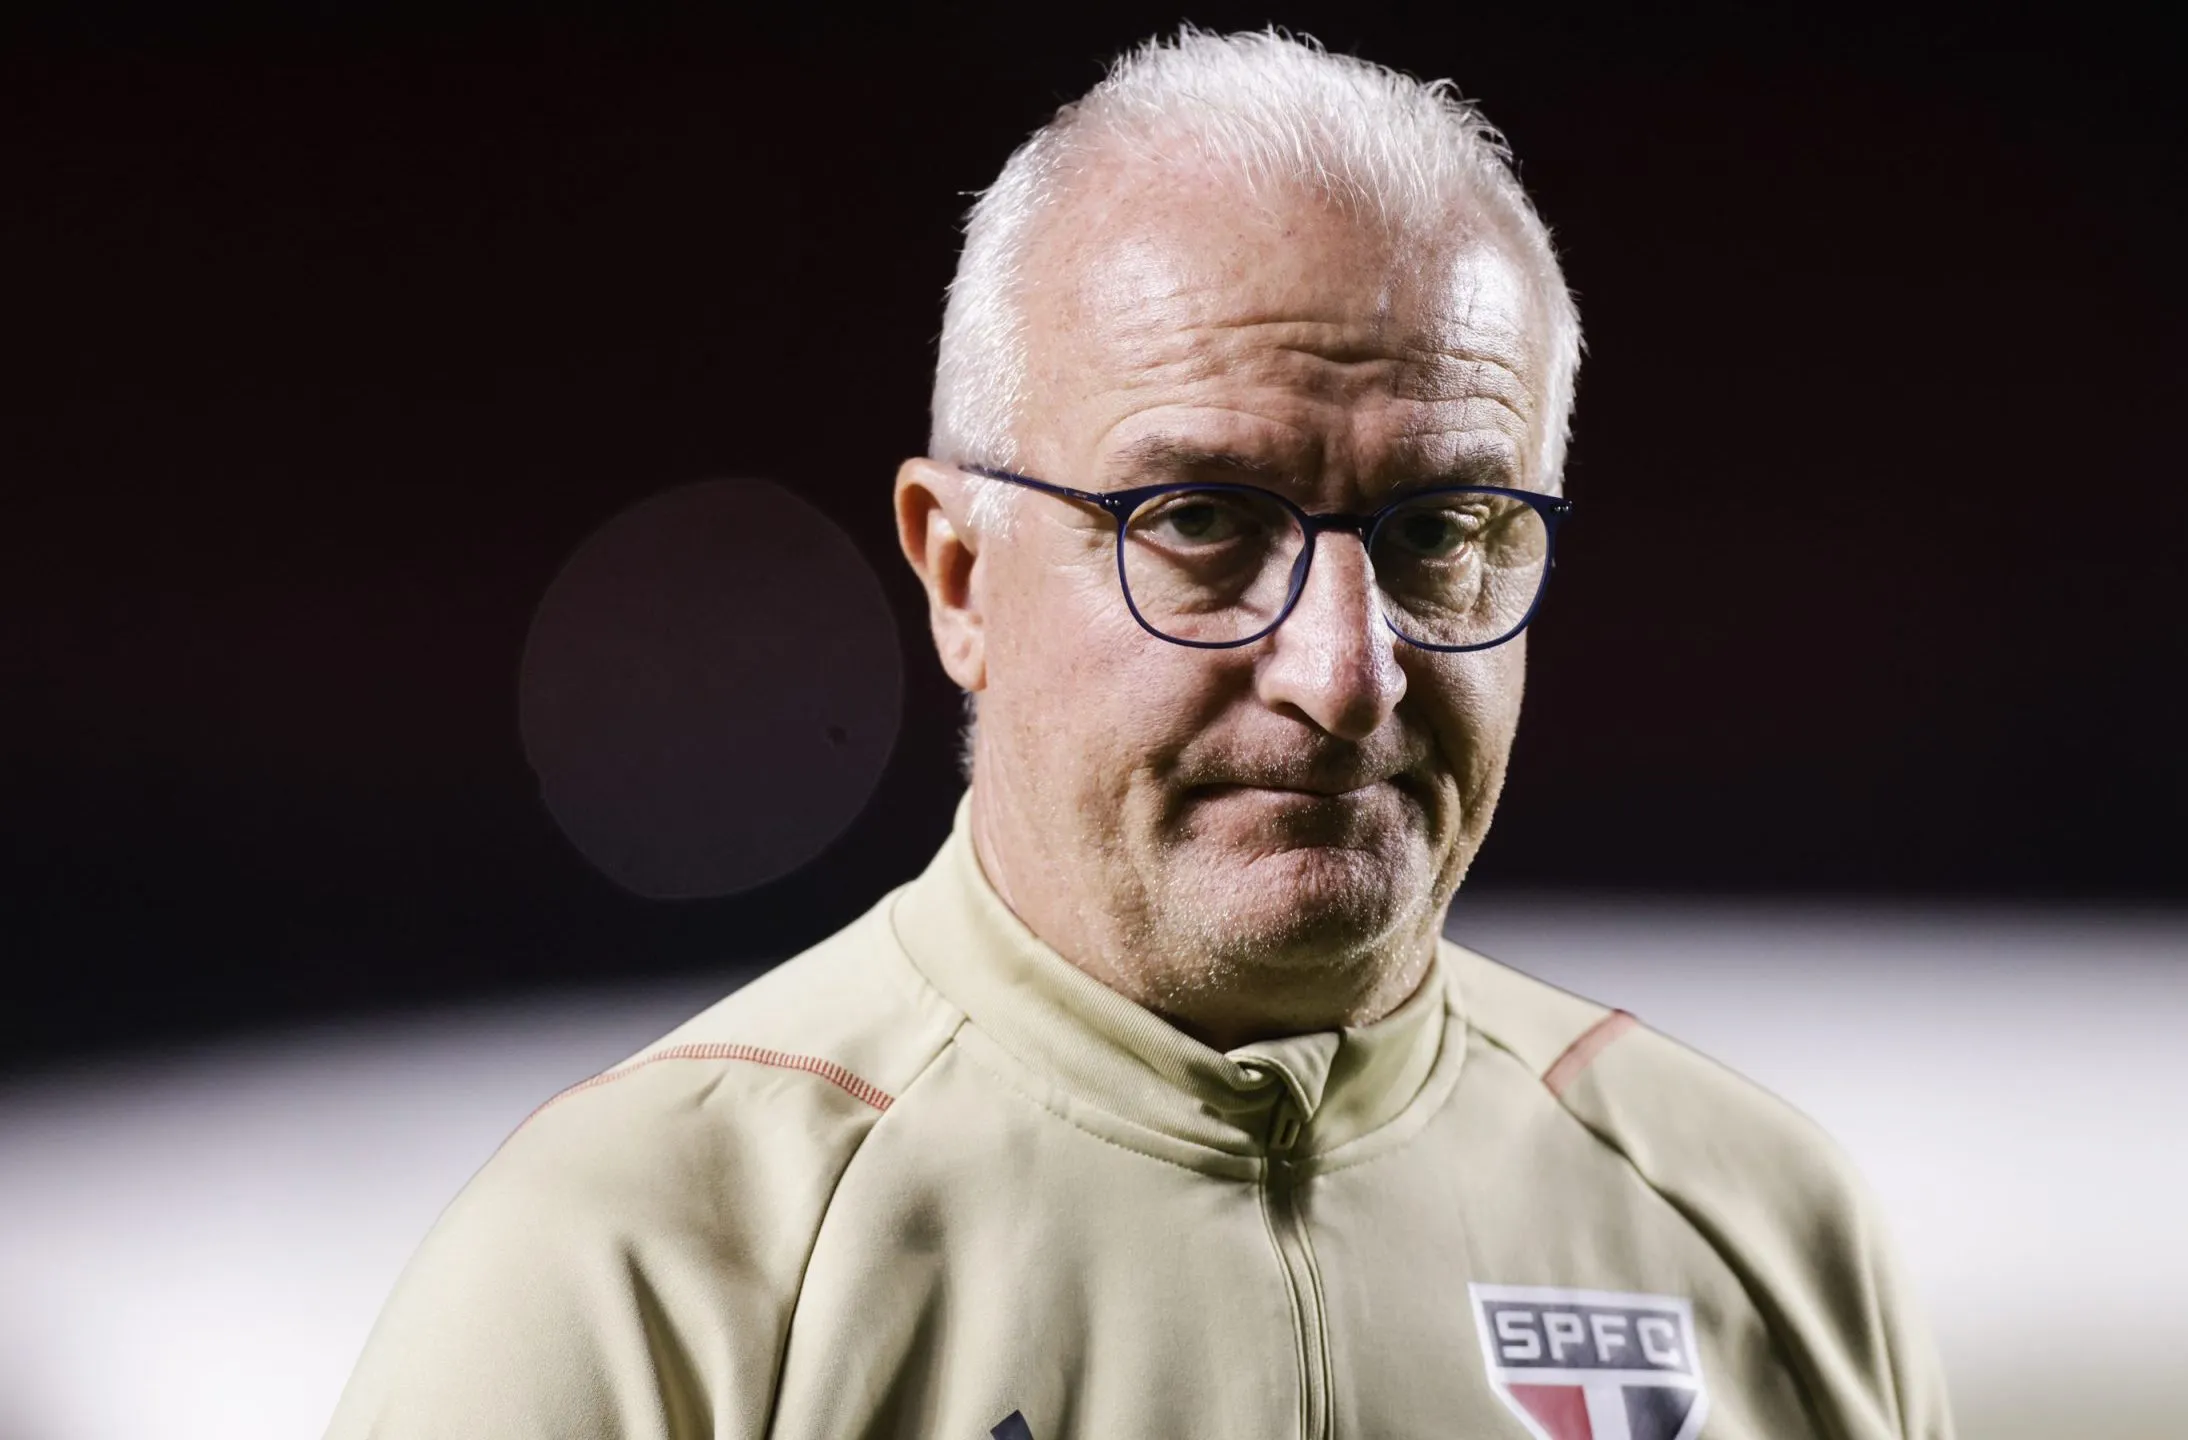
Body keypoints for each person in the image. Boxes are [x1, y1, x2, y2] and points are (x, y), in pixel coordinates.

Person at [328, 29, 1952, 1440]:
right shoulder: (638, 1266)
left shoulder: (1757, 1234)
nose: (1345, 673)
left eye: (1444, 527)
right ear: (960, 573)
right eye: (1198, 520)